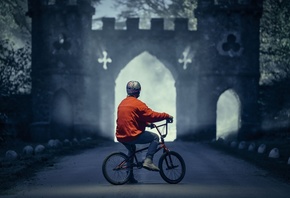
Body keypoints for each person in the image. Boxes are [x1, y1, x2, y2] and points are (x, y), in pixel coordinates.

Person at [116, 80, 173, 183]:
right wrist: (166, 115)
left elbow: (131, 119)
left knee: (131, 151)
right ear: (138, 91)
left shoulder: (122, 103)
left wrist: (146, 124)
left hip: (121, 135)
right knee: (155, 137)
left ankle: (129, 177)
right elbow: (151, 115)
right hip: (131, 135)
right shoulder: (138, 104)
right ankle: (148, 160)